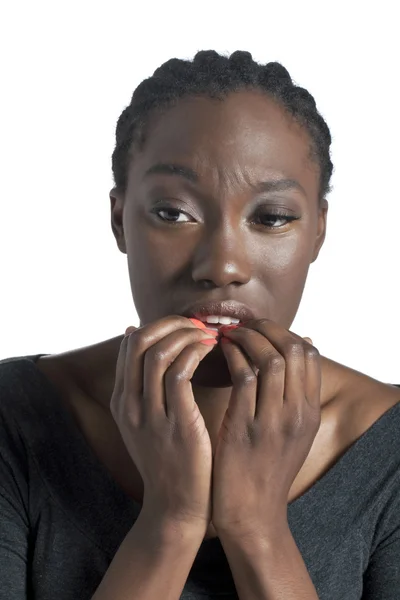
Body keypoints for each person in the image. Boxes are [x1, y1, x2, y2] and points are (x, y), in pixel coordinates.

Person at [1, 50, 399, 600]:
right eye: (173, 213)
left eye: (272, 217)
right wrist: (171, 522)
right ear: (119, 220)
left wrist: (257, 530)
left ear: (318, 234)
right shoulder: (14, 420)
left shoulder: (389, 449)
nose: (222, 266)